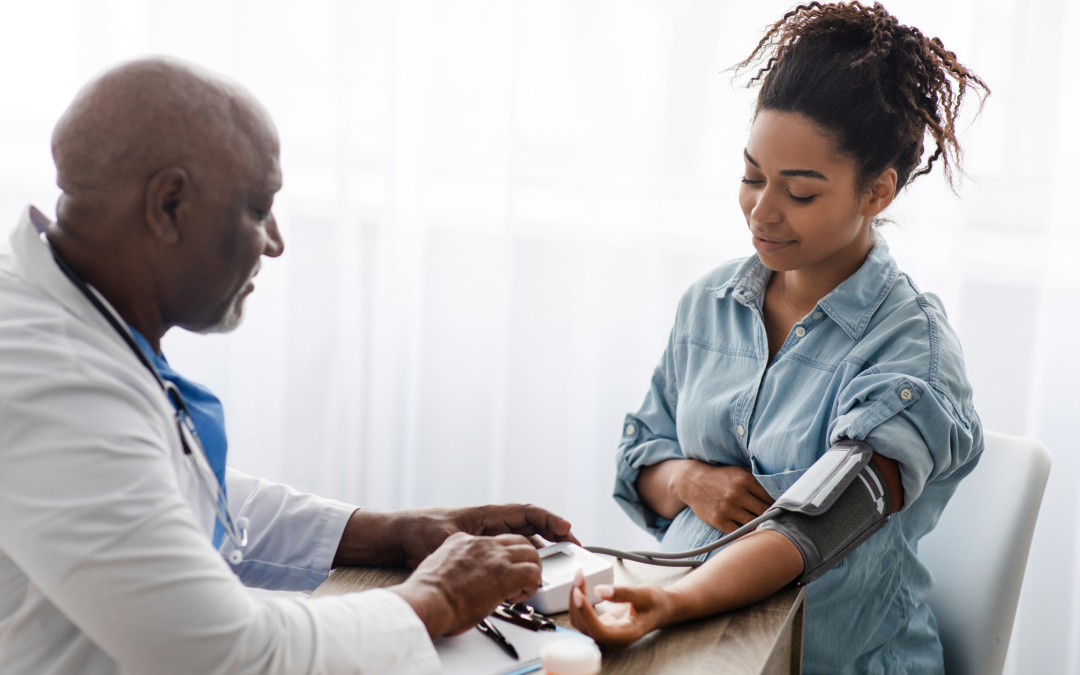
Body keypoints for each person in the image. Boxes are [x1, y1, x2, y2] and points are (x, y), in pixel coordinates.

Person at [0, 58, 579, 675]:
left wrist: (393, 530)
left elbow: (161, 489)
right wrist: (434, 598)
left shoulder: (63, 318)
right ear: (168, 205)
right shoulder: (53, 384)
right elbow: (228, 652)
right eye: (257, 209)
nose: (274, 241)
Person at [566, 3, 987, 673]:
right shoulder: (710, 303)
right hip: (689, 637)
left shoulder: (912, 353)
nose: (762, 211)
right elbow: (638, 453)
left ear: (875, 192)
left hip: (822, 658)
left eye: (800, 191)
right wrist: (689, 479)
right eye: (752, 175)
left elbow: (820, 524)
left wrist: (673, 602)